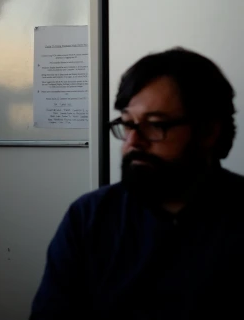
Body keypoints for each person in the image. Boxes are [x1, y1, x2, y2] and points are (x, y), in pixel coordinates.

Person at [31, 48, 244, 320]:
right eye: (129, 124)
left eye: (155, 125)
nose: (133, 142)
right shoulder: (89, 218)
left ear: (208, 132)